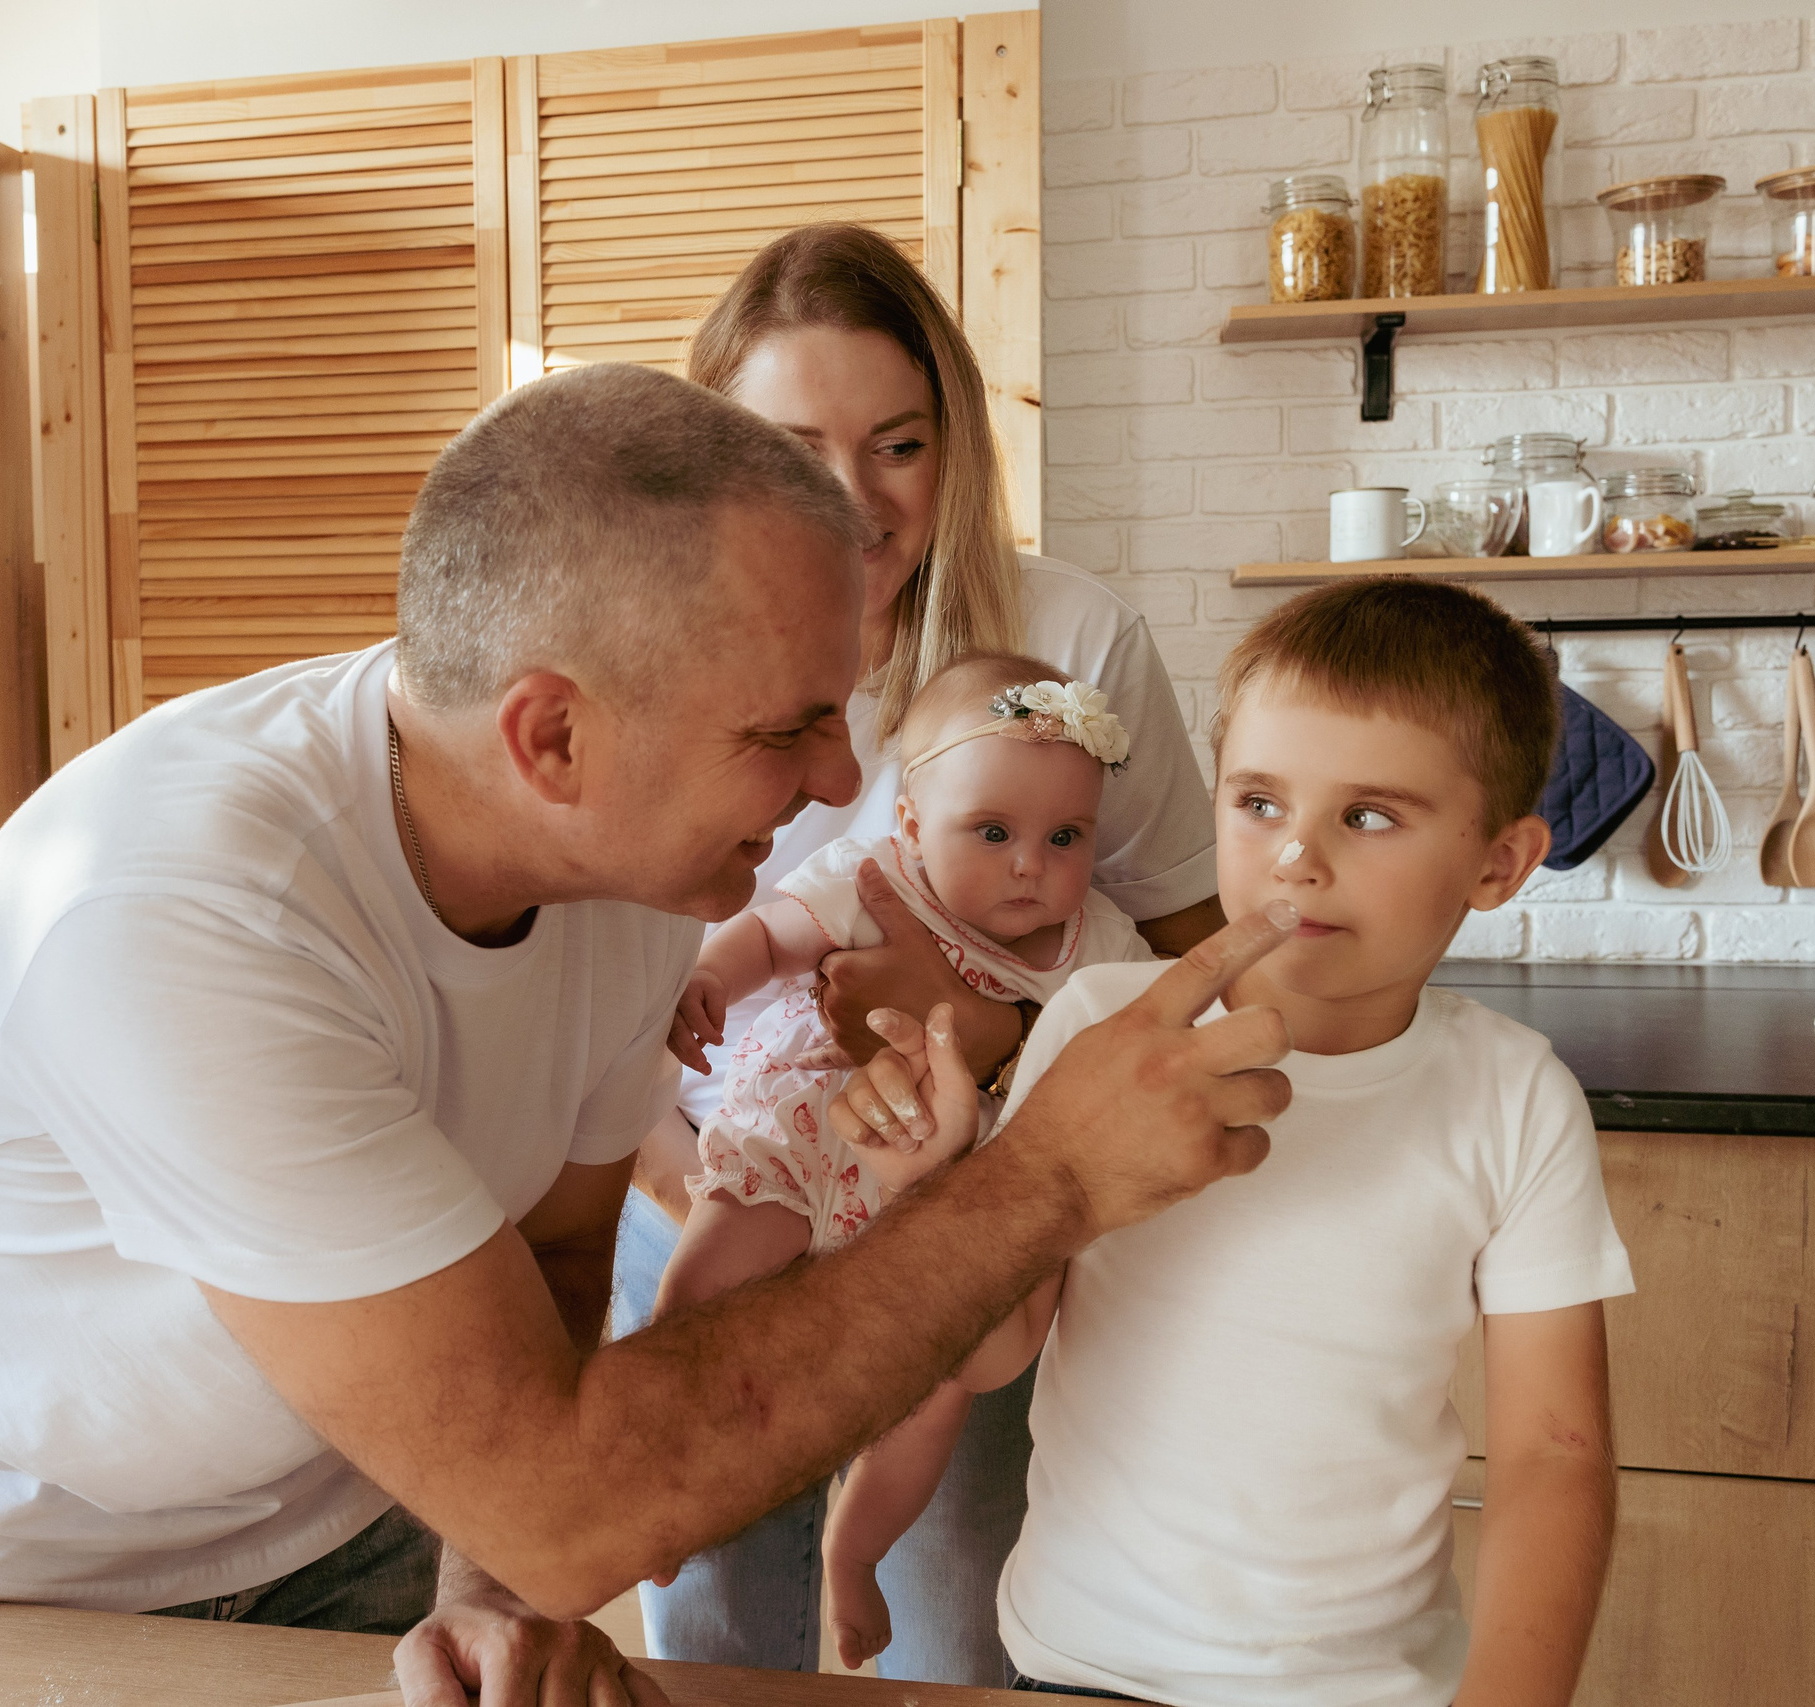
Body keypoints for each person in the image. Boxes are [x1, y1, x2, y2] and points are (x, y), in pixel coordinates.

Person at [0, 359, 1300, 1707]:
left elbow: (559, 1250)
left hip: (359, 1524)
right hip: (11, 1573)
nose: (838, 772)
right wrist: (1044, 1176)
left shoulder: (640, 866)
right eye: (786, 729)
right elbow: (574, 1506)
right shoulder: (184, 916)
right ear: (553, 737)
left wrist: (485, 1580)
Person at [836, 579, 1632, 1707]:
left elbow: (1554, 1458)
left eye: (1366, 816)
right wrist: (933, 1199)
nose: (1295, 858)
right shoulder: (1095, 1027)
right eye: (1258, 802)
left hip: (1369, 1691)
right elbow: (991, 1354)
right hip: (1076, 1665)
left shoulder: (1514, 1100)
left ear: (1498, 864)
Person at [618, 221, 1224, 1685]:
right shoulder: (638, 646)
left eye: (897, 441)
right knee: (712, 1633)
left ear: (954, 439)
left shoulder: (1072, 637)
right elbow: (602, 975)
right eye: (789, 443)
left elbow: (1182, 967)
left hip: (973, 1215)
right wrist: (686, 1179)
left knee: (954, 1618)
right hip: (716, 1180)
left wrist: (962, 1021)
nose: (850, 496)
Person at [650, 653, 1157, 1670]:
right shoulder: (872, 877)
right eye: (994, 833)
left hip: (947, 1192)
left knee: (929, 1398)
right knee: (708, 1282)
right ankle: (660, 1473)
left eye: (1065, 838)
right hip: (816, 1130)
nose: (1031, 866)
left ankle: (854, 1552)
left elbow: (1126, 1046)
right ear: (915, 825)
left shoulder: (1096, 939)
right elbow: (771, 937)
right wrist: (710, 971)